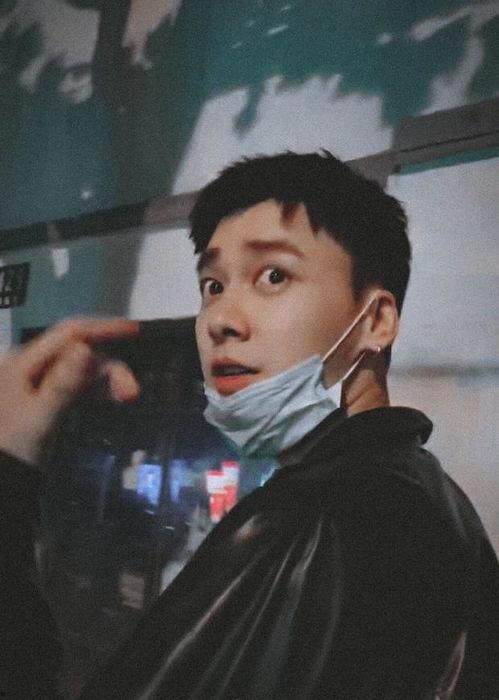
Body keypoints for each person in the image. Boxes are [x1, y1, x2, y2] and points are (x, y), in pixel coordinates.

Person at [0, 152, 497, 698]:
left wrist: (7, 468)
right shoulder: (424, 492)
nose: (220, 319)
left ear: (375, 321)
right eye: (212, 285)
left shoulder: (322, 516)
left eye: (273, 275)